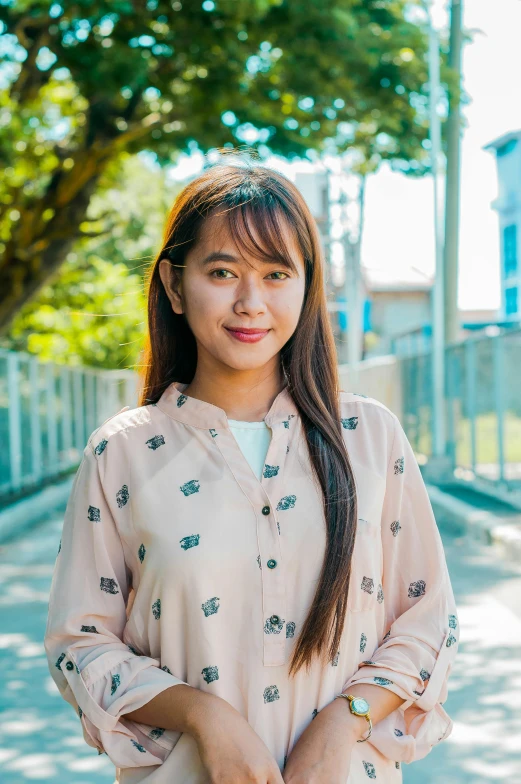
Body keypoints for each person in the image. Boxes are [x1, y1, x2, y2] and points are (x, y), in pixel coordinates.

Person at [44, 158, 459, 784]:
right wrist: (206, 718)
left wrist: (343, 723)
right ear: (176, 286)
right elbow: (81, 642)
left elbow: (428, 623)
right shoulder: (121, 453)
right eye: (222, 271)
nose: (250, 302)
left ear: (306, 287)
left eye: (275, 273)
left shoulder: (370, 439)